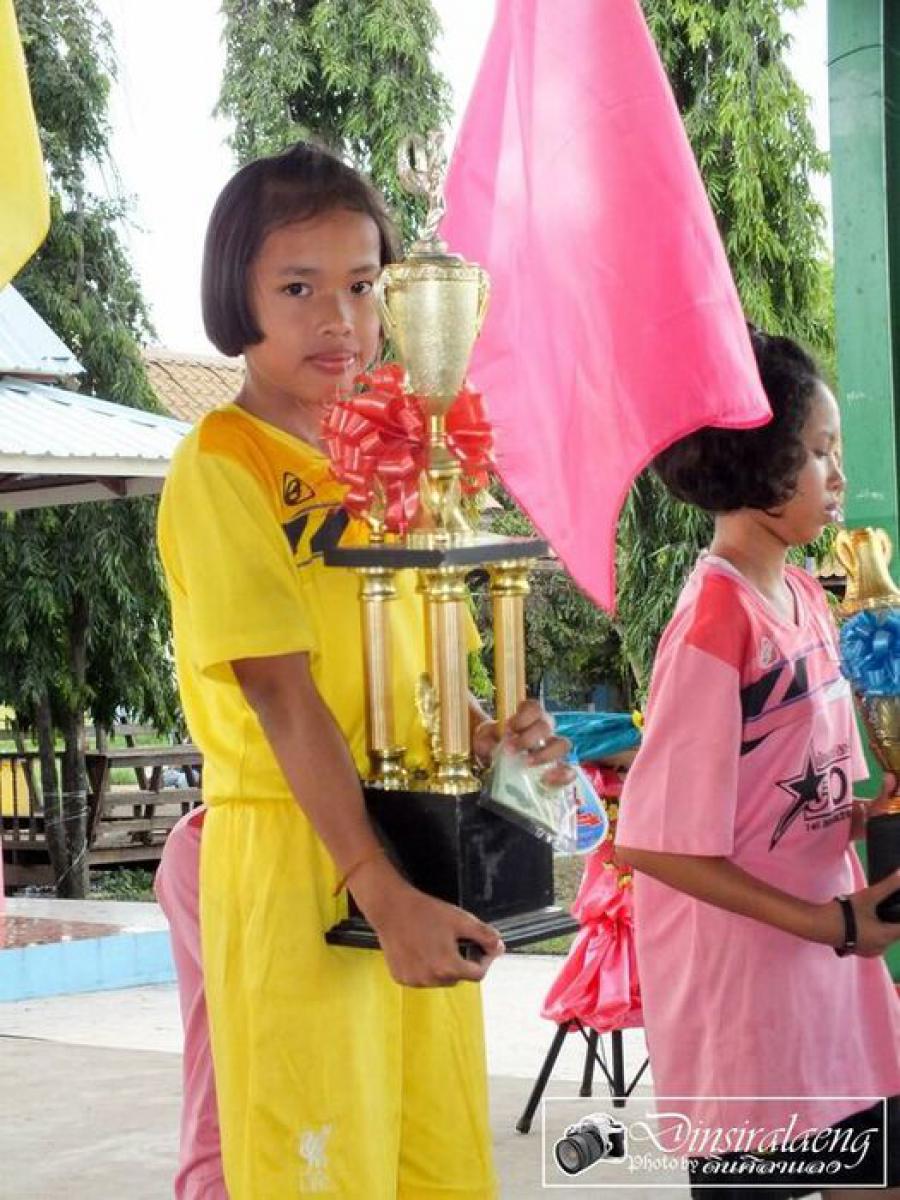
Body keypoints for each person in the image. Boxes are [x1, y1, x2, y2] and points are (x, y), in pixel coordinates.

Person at [155, 141, 570, 1200]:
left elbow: (432, 681)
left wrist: (497, 744)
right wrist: (376, 888)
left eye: (361, 286)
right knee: (321, 1162)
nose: (337, 319)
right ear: (235, 296)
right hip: (304, 856)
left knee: (436, 1158)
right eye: (298, 289)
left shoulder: (392, 466)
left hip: (413, 847)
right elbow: (281, 695)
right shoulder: (223, 462)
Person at [615, 328, 900, 1200]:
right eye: (818, 453)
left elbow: (802, 794)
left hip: (832, 985)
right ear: (759, 466)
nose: (838, 475)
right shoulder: (715, 622)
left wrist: (870, 816)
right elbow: (652, 843)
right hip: (745, 1007)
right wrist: (829, 923)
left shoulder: (806, 594)